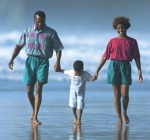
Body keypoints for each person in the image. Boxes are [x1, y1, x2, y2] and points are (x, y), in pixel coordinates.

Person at [8, 11, 64, 125]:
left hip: (43, 61)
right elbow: (18, 46)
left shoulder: (51, 33)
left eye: (42, 21)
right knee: (29, 91)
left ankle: (35, 116)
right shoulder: (27, 31)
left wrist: (58, 62)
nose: (40, 24)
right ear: (34, 20)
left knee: (39, 88)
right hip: (30, 61)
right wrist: (11, 59)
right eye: (38, 21)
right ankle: (34, 112)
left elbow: (58, 49)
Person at [93, 16, 143, 126]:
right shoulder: (112, 41)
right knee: (116, 94)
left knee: (125, 95)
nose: (120, 30)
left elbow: (137, 58)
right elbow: (105, 57)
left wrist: (140, 72)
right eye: (118, 28)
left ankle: (124, 112)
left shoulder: (132, 41)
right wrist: (97, 71)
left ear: (126, 28)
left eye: (122, 28)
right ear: (116, 28)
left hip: (125, 67)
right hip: (113, 66)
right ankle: (119, 117)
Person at [58, 60, 95, 125]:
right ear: (74, 69)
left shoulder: (85, 74)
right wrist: (59, 69)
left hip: (81, 92)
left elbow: (92, 79)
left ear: (82, 69)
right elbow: (64, 71)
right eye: (76, 72)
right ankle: (75, 116)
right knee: (73, 104)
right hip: (72, 92)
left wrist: (95, 76)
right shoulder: (72, 72)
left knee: (80, 104)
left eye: (79, 72)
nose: (77, 74)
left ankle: (79, 119)